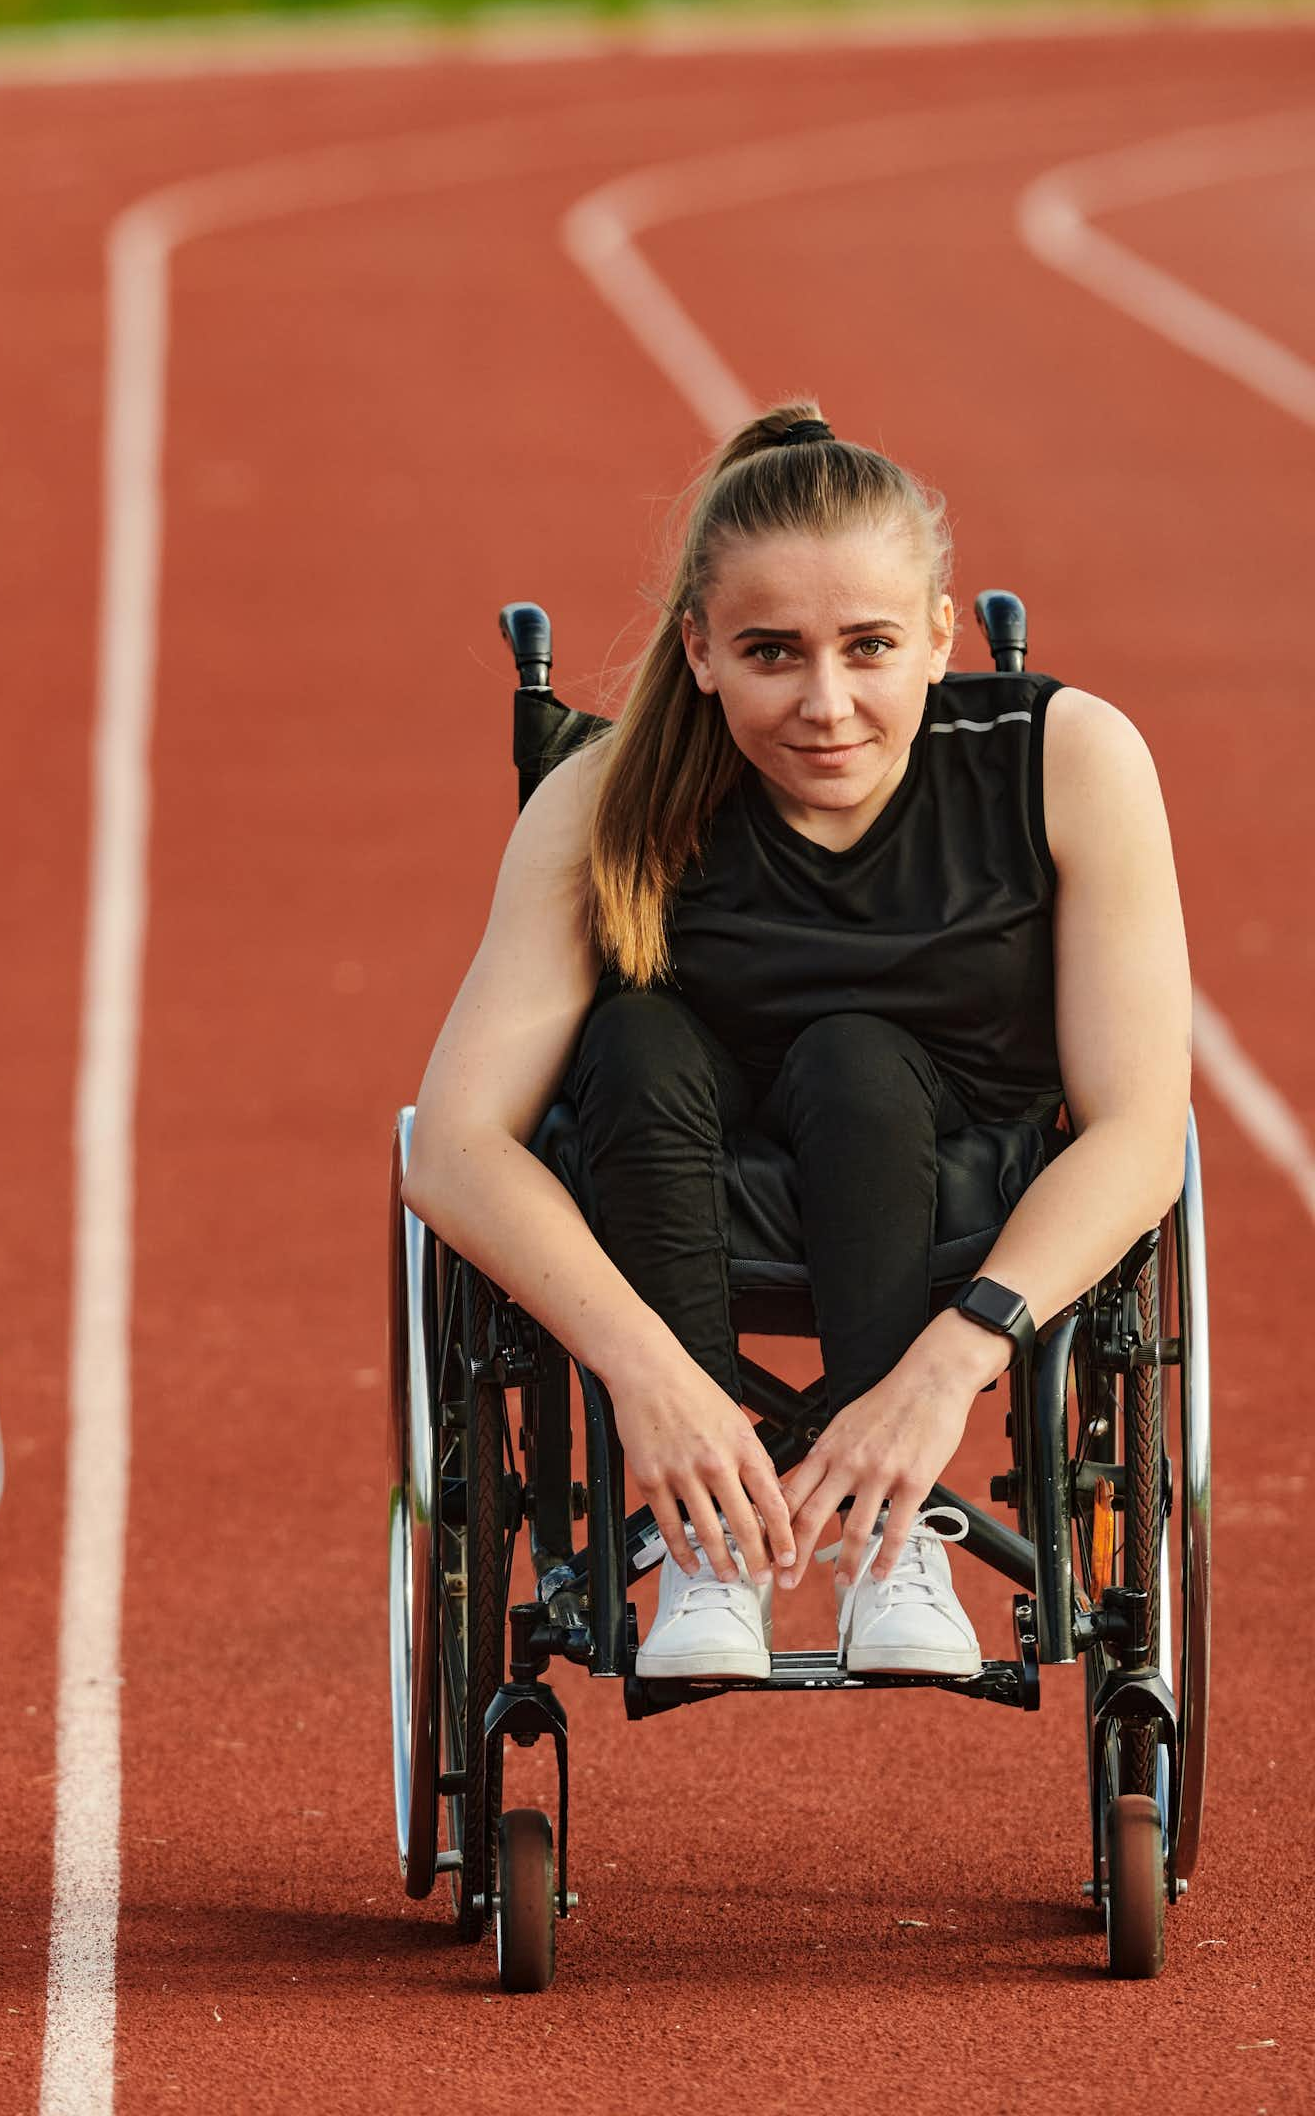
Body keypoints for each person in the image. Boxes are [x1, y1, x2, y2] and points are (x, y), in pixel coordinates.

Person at [401, 404, 1189, 1681]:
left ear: (939, 637)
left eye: (870, 646)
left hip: (962, 1200)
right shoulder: (605, 802)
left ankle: (898, 1543)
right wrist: (648, 1378)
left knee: (855, 1057)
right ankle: (708, 1548)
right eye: (772, 653)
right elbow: (450, 1146)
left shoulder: (1064, 760)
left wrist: (948, 1369)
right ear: (700, 651)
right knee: (640, 1036)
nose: (826, 705)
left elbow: (1142, 1127)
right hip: (666, 1194)